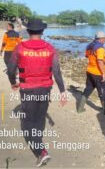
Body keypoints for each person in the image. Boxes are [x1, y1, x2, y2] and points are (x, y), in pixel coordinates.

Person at [7, 19, 67, 167]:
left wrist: (13, 82)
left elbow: (10, 69)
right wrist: (63, 91)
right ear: (42, 31)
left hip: (28, 89)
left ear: (28, 31)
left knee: (27, 121)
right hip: (45, 89)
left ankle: (41, 152)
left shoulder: (20, 48)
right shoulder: (50, 48)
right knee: (40, 118)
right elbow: (56, 71)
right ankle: (38, 139)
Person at [77, 31, 105, 116]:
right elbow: (99, 61)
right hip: (97, 73)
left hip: (90, 71)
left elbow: (87, 56)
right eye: (104, 39)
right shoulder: (100, 48)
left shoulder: (89, 46)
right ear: (101, 39)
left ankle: (80, 108)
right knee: (103, 92)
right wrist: (103, 73)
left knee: (88, 89)